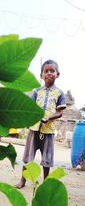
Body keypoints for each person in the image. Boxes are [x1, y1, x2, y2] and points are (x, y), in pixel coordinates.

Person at [16, 59, 66, 189]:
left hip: (48, 131)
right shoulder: (36, 91)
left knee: (47, 159)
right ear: (41, 75)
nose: (49, 73)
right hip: (34, 129)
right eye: (46, 71)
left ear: (57, 74)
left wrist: (49, 118)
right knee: (27, 158)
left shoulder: (59, 93)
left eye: (52, 71)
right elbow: (30, 108)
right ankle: (22, 180)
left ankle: (45, 183)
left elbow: (60, 112)